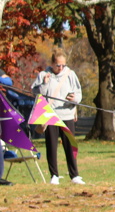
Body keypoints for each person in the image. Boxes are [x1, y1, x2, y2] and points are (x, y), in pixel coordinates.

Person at [32, 51, 84, 185]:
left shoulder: (70, 74)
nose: (60, 68)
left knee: (70, 145)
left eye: (63, 65)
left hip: (67, 114)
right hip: (50, 114)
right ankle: (54, 175)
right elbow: (36, 94)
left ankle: (74, 175)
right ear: (52, 63)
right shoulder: (44, 75)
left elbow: (78, 93)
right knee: (51, 145)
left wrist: (75, 99)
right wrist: (44, 84)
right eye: (58, 65)